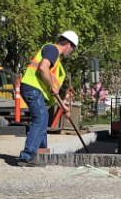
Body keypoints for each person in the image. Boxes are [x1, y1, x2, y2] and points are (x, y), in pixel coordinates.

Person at [17, 30, 79, 164]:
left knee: (43, 117)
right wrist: (52, 86)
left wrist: (64, 107)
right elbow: (43, 67)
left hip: (35, 89)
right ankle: (27, 156)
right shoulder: (52, 50)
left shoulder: (56, 59)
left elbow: (53, 88)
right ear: (68, 45)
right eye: (72, 49)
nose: (71, 52)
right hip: (32, 87)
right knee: (41, 118)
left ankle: (40, 153)